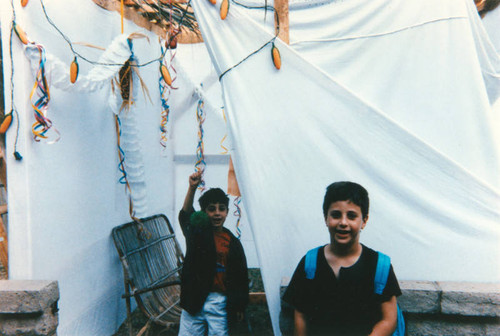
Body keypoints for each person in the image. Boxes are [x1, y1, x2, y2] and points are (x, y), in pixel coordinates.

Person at [283, 181, 402, 336]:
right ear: (326, 218)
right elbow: (300, 315)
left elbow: (389, 319)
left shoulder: (379, 265)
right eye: (336, 215)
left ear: (364, 221)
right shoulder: (310, 263)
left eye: (351, 216)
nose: (343, 223)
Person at [178, 171, 249, 336]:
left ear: (227, 211)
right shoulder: (196, 234)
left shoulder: (233, 243)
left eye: (221, 209)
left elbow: (240, 276)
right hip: (194, 299)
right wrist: (192, 188)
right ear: (203, 213)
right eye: (211, 209)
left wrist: (240, 305)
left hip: (219, 302)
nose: (217, 213)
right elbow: (186, 215)